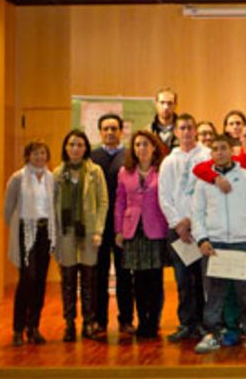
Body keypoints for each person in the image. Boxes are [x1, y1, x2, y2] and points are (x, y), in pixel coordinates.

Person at [192, 119, 246, 346]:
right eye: (215, 149)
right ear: (210, 153)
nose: (219, 153)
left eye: (223, 148)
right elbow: (197, 214)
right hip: (214, 244)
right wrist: (201, 239)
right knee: (214, 292)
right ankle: (212, 333)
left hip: (243, 244)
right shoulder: (203, 182)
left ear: (233, 151)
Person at [158, 114, 210, 342]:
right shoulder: (169, 161)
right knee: (183, 280)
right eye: (182, 128)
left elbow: (209, 192)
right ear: (176, 132)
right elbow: (164, 196)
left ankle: (204, 323)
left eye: (190, 128)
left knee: (203, 279)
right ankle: (186, 323)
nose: (187, 132)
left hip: (201, 227)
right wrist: (179, 224)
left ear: (195, 130)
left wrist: (191, 221)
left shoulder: (207, 156)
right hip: (177, 229)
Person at [54, 129, 108, 342]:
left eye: (79, 145)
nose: (75, 149)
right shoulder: (57, 173)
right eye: (71, 145)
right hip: (65, 234)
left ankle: (88, 323)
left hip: (89, 234)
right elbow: (51, 205)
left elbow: (103, 202)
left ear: (86, 148)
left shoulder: (95, 171)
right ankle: (69, 324)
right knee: (67, 281)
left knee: (88, 281)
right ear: (65, 148)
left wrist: (99, 230)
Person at [114, 130, 169, 339]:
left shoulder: (162, 171)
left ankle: (153, 321)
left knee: (155, 279)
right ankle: (142, 321)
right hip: (133, 230)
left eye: (145, 144)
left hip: (155, 229)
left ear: (154, 147)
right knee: (138, 281)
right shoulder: (124, 172)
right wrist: (118, 230)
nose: (141, 149)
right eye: (137, 145)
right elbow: (119, 202)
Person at [4, 140, 56, 346]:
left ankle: (33, 326)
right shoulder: (18, 178)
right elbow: (8, 209)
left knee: (41, 280)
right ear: (27, 156)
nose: (39, 157)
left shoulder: (52, 178)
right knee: (27, 279)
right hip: (26, 231)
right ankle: (18, 328)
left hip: (46, 232)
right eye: (35, 153)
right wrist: (20, 228)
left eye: (42, 153)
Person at [90, 113, 135, 337]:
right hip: (98, 226)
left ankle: (126, 320)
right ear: (100, 132)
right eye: (105, 129)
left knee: (125, 273)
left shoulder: (129, 156)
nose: (109, 132)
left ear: (121, 131)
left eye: (114, 128)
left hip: (123, 226)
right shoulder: (91, 156)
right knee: (98, 274)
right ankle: (99, 321)